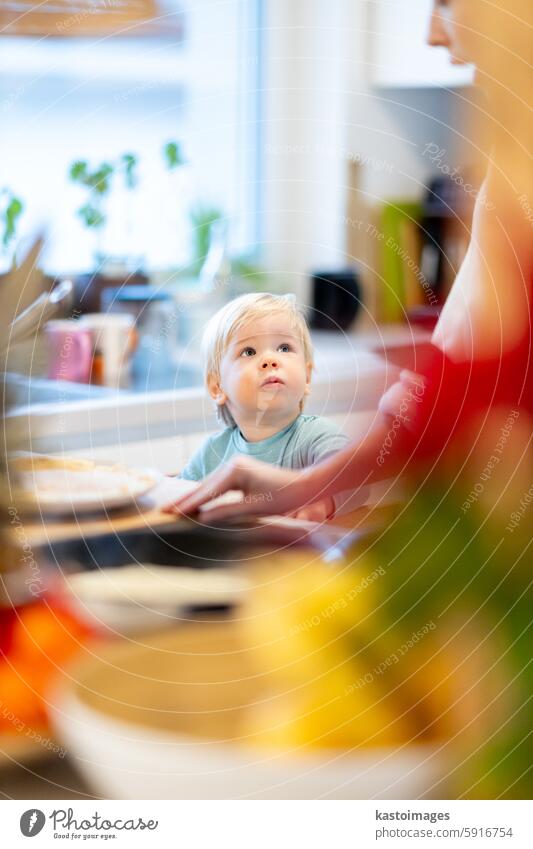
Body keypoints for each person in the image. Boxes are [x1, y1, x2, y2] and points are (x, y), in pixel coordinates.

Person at [167, 0, 532, 523]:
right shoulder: (511, 161)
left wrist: (303, 485)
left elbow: (486, 384)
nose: (431, 34)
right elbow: (467, 381)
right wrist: (298, 486)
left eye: (444, 2)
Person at [175, 292, 364, 521]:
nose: (270, 360)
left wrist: (323, 501)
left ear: (306, 376)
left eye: (284, 348)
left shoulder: (317, 437)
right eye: (249, 352)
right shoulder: (211, 453)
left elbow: (358, 481)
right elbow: (178, 497)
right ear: (217, 387)